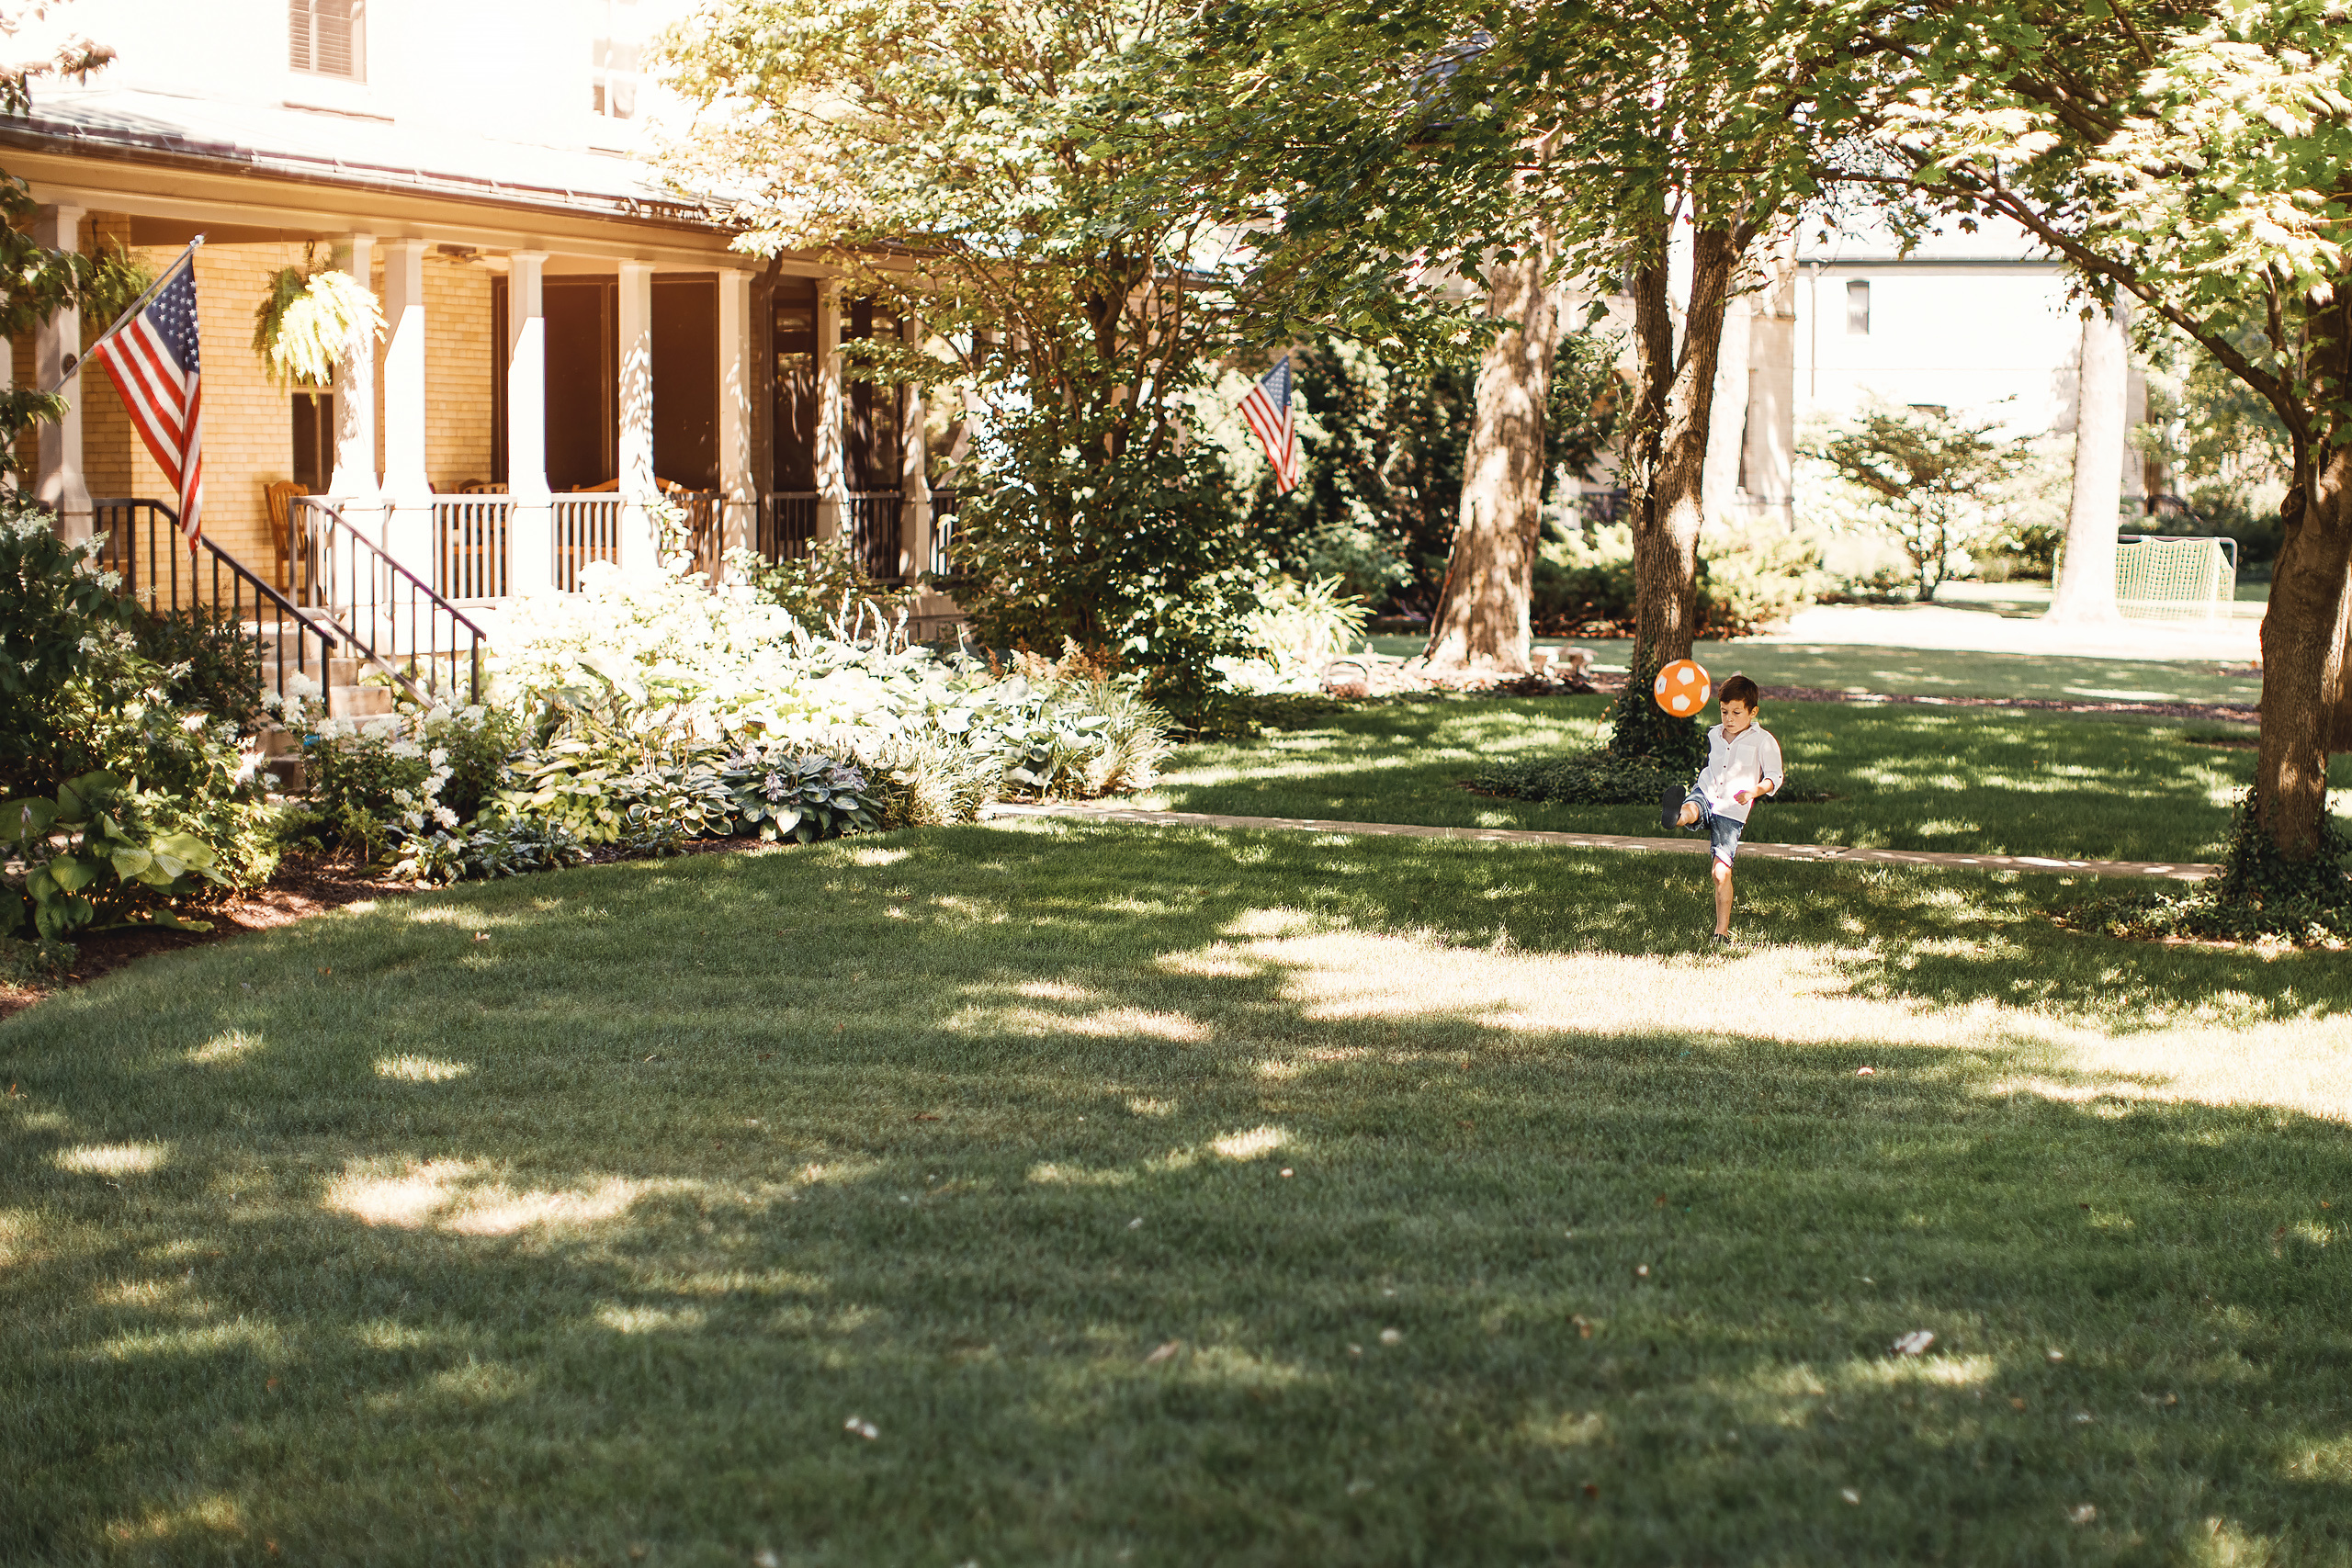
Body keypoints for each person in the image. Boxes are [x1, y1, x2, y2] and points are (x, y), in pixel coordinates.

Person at [1657, 674, 1783, 945]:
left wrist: (1754, 791)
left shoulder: (1763, 740)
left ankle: (1721, 932)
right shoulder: (1714, 734)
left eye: (1737, 712)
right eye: (1724, 711)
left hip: (1732, 810)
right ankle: (1676, 815)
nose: (1729, 718)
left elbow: (1775, 776)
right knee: (1693, 807)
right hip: (1708, 792)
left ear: (1753, 711)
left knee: (1720, 873)